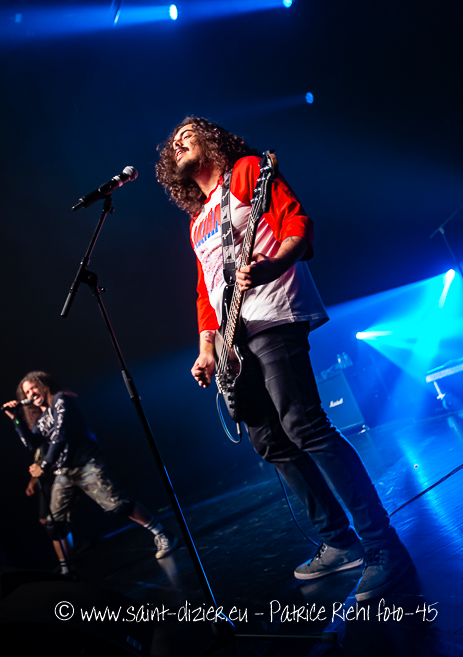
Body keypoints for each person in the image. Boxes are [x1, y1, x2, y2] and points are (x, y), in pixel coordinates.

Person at [155, 116, 412, 602]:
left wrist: (272, 265)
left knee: (304, 426)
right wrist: (207, 349)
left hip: (273, 313)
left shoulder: (249, 171)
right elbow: (206, 292)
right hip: (232, 340)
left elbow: (297, 223)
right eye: (173, 143)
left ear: (211, 142)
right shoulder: (196, 223)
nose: (178, 143)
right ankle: (338, 541)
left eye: (188, 135)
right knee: (269, 442)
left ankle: (384, 547)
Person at [2, 371, 177, 575]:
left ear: (44, 386)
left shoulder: (61, 400)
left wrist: (45, 465)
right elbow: (32, 444)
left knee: (120, 505)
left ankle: (163, 534)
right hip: (64, 472)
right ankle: (67, 569)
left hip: (87, 463)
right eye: (26, 392)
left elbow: (61, 435)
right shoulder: (41, 419)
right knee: (54, 523)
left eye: (34, 387)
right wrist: (16, 420)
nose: (31, 393)